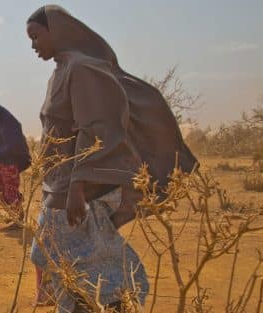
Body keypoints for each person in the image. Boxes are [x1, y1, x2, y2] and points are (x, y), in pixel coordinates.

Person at [25, 5, 196, 312]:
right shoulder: (60, 73)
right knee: (62, 257)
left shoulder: (82, 69)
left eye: (36, 36)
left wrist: (79, 184)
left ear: (57, 31)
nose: (33, 45)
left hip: (76, 189)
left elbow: (97, 127)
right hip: (58, 186)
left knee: (82, 258)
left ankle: (114, 303)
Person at [0, 104, 31, 227]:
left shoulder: (11, 127)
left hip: (10, 165)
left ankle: (18, 219)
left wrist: (9, 156)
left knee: (10, 192)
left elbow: (15, 147)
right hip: (1, 165)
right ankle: (14, 212)